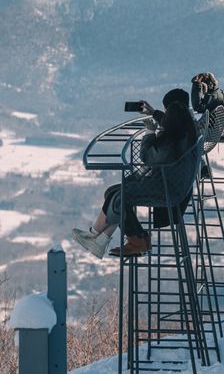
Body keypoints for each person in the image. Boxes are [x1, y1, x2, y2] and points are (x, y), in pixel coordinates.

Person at [73, 99, 197, 259]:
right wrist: (153, 113)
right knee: (113, 192)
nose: (164, 119)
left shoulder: (172, 145)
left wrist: (149, 133)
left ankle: (133, 240)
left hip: (165, 189)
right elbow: (172, 124)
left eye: (166, 115)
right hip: (171, 186)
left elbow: (147, 157)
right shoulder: (186, 135)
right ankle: (99, 240)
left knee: (121, 198)